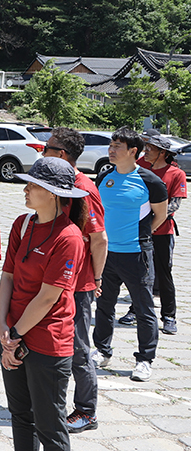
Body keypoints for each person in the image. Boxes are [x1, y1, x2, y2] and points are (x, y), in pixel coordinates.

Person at [0, 157, 86, 451]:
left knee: (50, 422)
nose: (25, 189)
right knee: (20, 413)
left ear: (53, 194)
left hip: (47, 338)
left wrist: (14, 336)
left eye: (32, 185)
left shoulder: (69, 237)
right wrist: (2, 328)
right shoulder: (23, 224)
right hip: (13, 332)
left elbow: (48, 297)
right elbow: (7, 278)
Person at [41, 128, 107, 434]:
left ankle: (86, 411)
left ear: (62, 155)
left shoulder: (82, 188)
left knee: (78, 348)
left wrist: (96, 278)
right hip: (54, 279)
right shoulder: (57, 183)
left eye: (47, 147)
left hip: (77, 284)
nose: (42, 152)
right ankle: (51, 402)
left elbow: (99, 239)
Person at [92, 128, 168, 382]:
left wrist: (141, 236)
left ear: (133, 151)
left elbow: (160, 216)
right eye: (111, 145)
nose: (111, 150)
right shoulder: (104, 177)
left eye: (117, 146)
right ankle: (102, 350)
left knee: (144, 309)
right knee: (104, 305)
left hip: (136, 254)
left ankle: (145, 359)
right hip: (106, 254)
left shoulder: (150, 181)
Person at [122, 131, 186, 335]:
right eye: (145, 147)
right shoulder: (140, 166)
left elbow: (174, 203)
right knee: (140, 274)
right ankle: (135, 310)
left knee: (163, 273)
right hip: (138, 230)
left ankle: (169, 316)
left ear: (163, 153)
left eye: (151, 149)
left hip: (162, 232)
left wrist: (153, 221)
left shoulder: (176, 174)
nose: (146, 151)